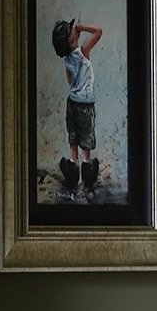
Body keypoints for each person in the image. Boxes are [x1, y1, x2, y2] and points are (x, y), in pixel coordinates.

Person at [50, 17, 102, 197]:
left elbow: (69, 80)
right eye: (73, 29)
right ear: (71, 39)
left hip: (72, 101)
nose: (76, 29)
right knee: (85, 138)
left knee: (73, 136)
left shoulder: (67, 59)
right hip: (85, 103)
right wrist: (82, 27)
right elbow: (98, 31)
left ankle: (73, 166)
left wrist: (75, 30)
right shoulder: (83, 52)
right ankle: (87, 169)